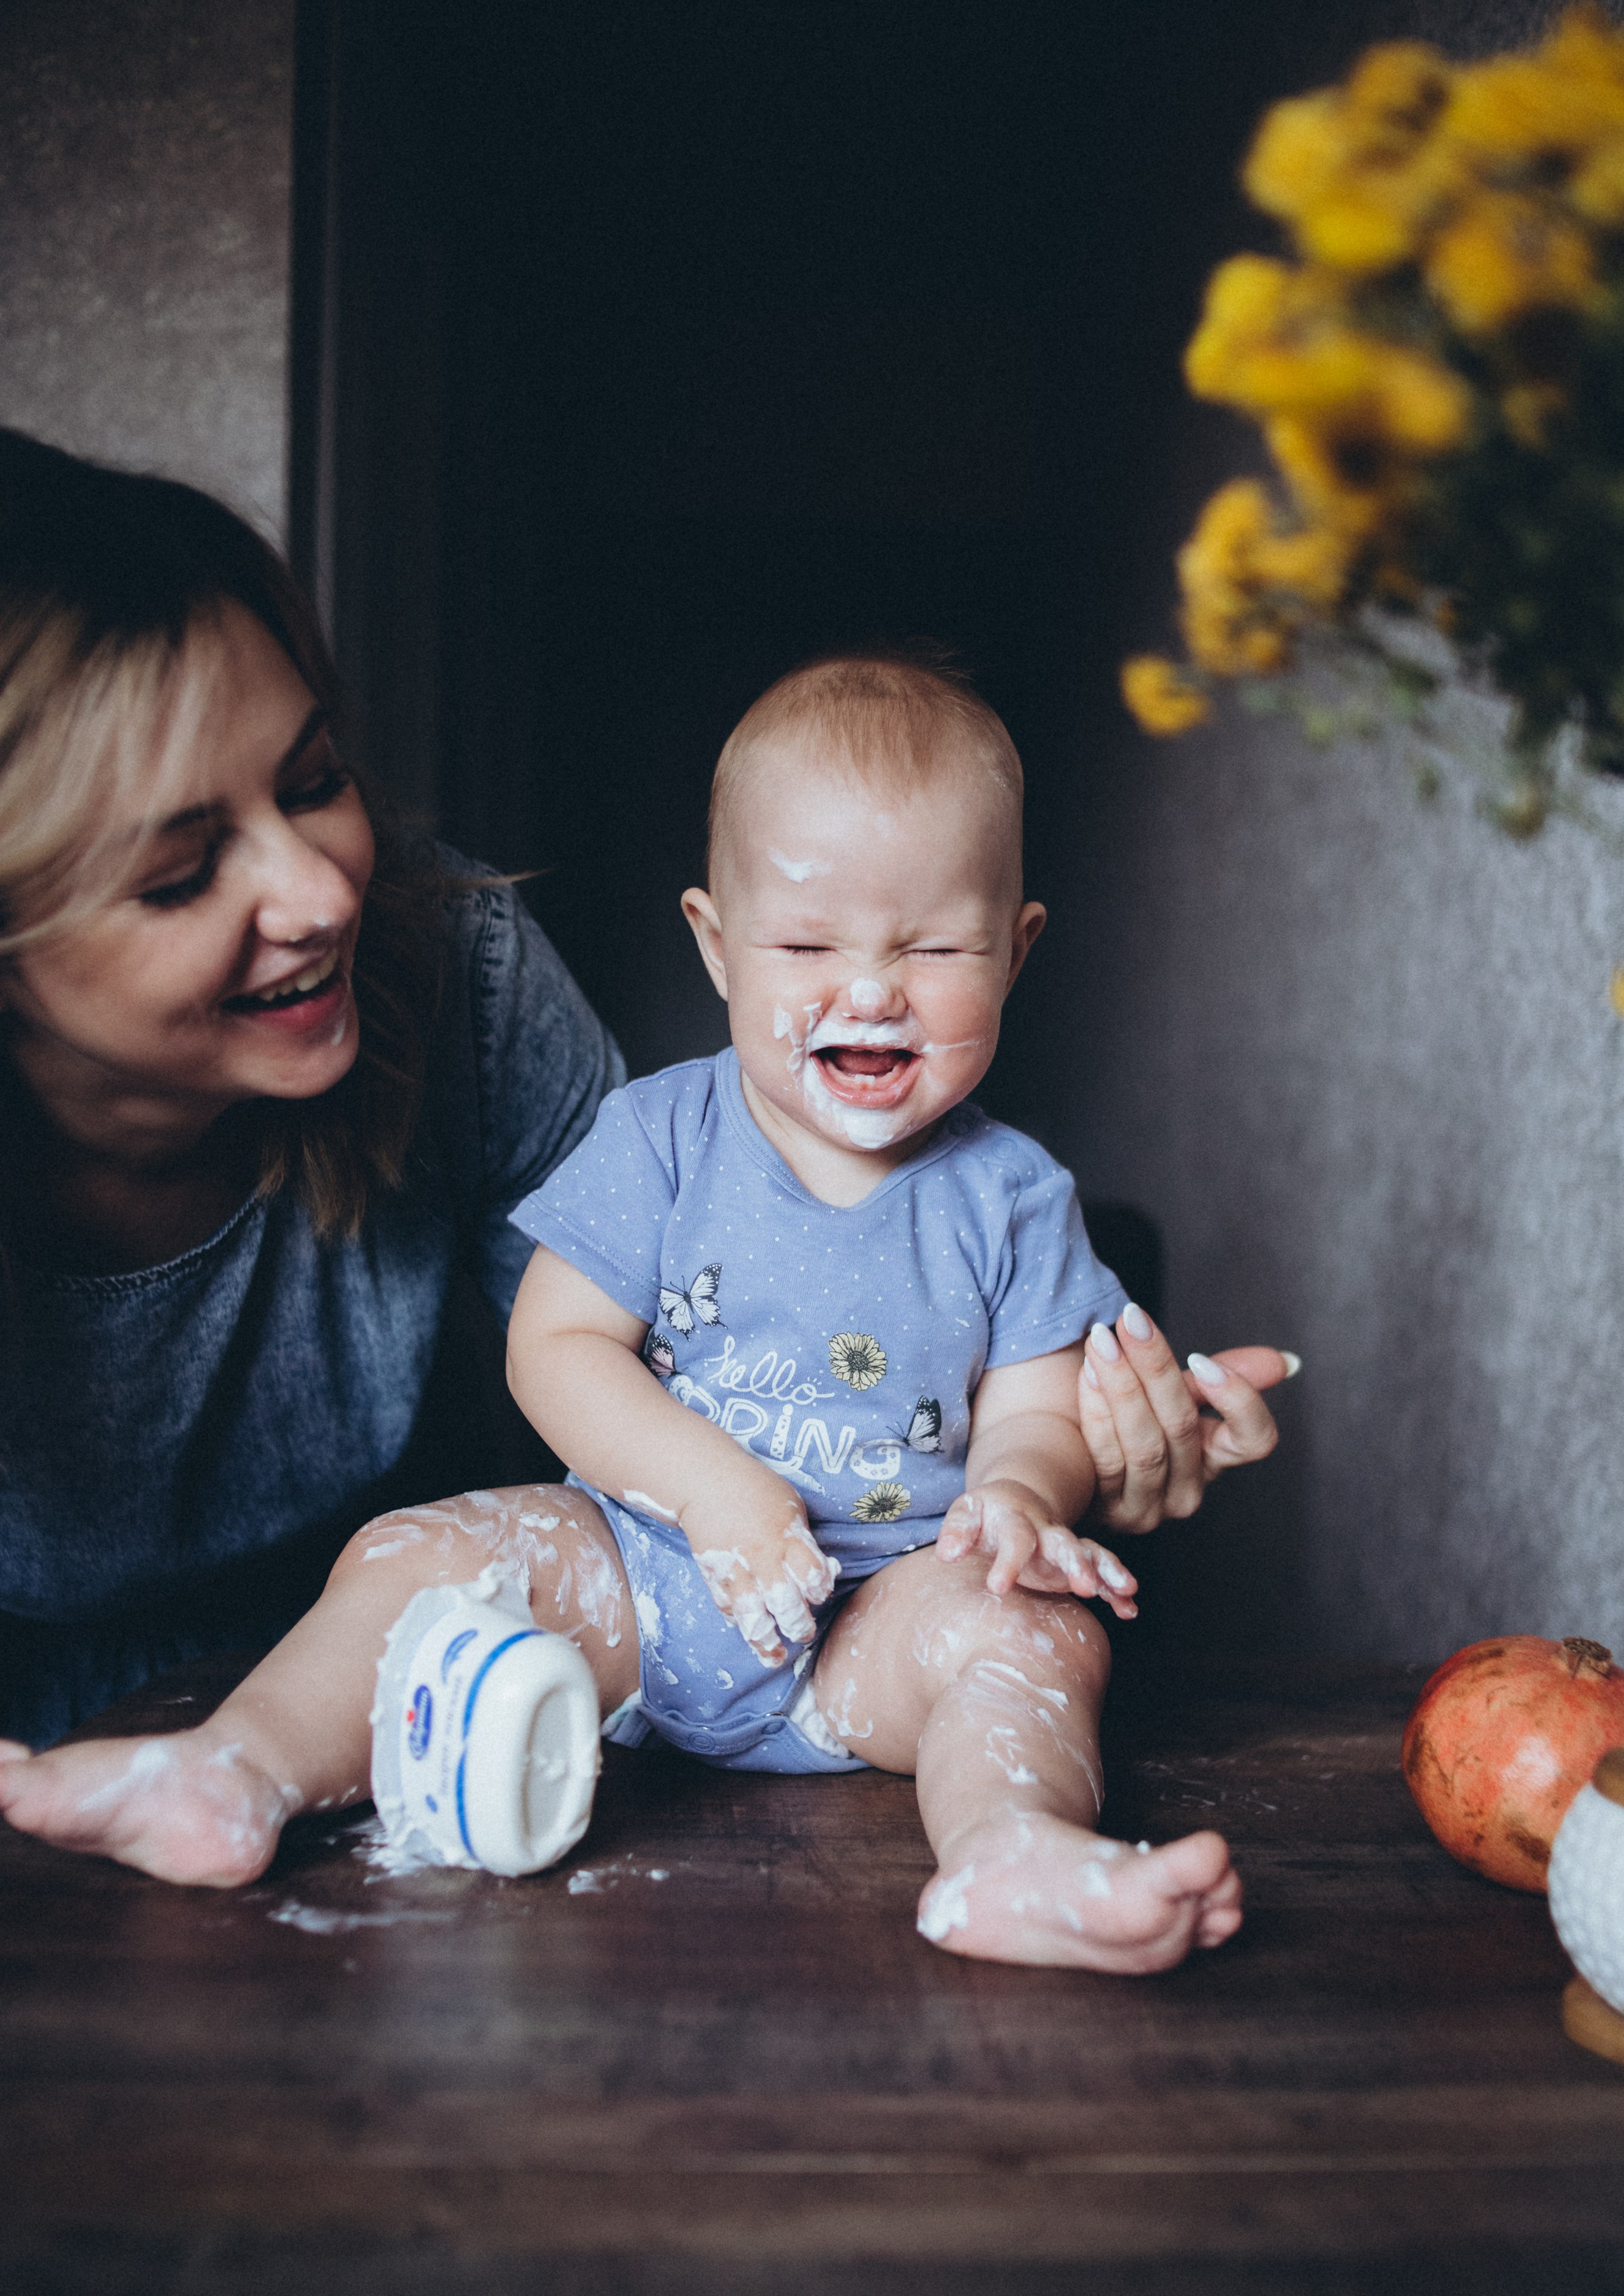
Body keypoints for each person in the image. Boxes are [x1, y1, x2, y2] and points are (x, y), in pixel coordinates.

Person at [2, 654, 1293, 1975]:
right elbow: (553, 1346)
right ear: (713, 943)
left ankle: (1010, 1854)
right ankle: (233, 1771)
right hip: (637, 1580)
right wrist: (714, 1494)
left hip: (879, 1617)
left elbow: (1031, 1407)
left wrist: (1020, 1498)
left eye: (929, 948)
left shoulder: (1013, 1196)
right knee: (423, 1554)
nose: (868, 989)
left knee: (1033, 1638)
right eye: (805, 947)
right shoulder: (660, 1138)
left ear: (1015, 949)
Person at [0, 429, 622, 1749]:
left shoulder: (459, 968)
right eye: (180, 875)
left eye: (314, 783)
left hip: (407, 1689)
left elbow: (691, 1373)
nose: (324, 893)